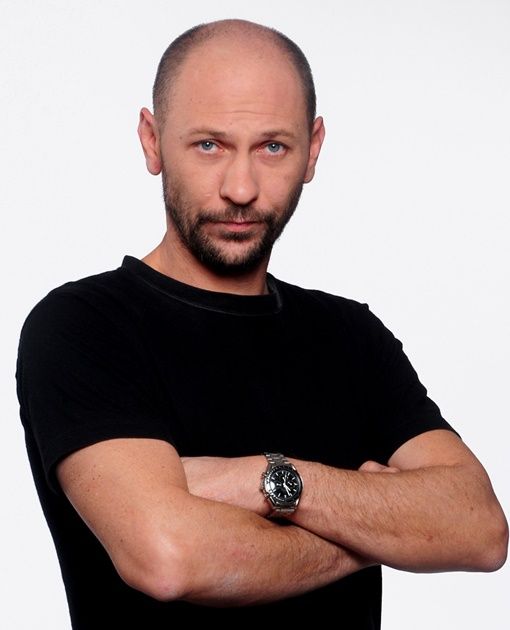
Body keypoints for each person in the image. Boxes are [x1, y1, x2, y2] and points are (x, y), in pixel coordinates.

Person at [16, 18, 507, 629]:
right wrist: (378, 532)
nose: (241, 188)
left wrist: (265, 479)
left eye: (272, 146)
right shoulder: (82, 327)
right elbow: (169, 558)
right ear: (152, 140)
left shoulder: (350, 337)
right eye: (209, 145)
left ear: (313, 149)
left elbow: (479, 528)